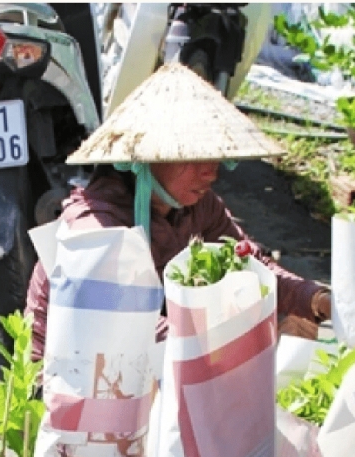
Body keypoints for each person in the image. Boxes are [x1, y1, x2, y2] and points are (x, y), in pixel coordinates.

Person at [25, 63, 330, 359]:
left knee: (291, 319)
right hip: (75, 375)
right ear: (147, 158)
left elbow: (251, 266)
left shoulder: (196, 206)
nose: (210, 172)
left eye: (215, 156)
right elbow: (128, 327)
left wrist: (315, 298)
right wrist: (222, 348)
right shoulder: (95, 227)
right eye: (193, 156)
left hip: (149, 357)